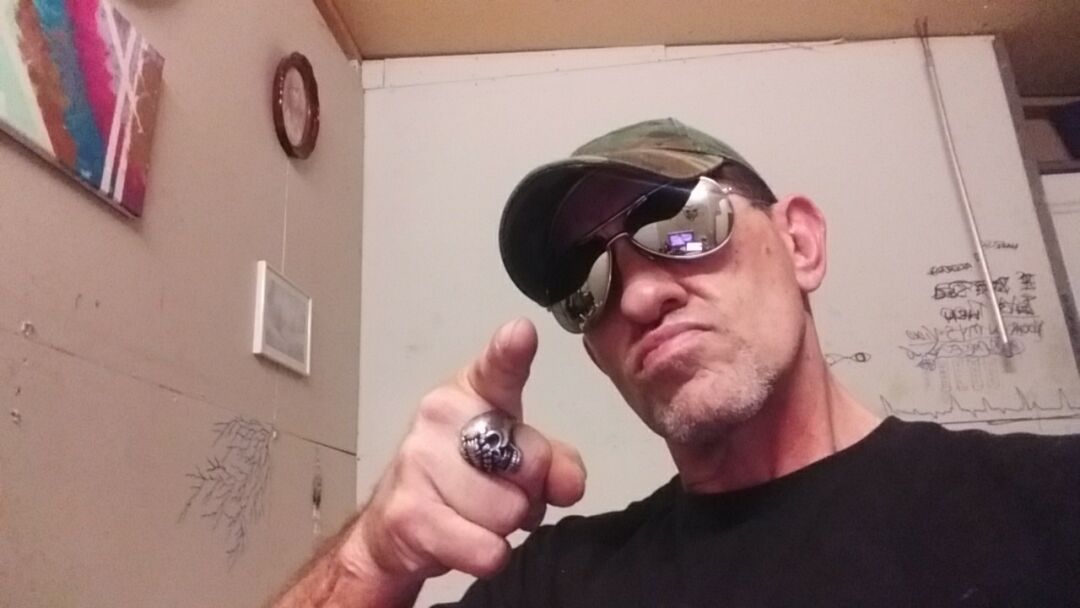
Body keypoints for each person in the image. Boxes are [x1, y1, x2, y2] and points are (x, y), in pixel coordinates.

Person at [271, 119, 1080, 607]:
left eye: (682, 221)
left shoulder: (1048, 504)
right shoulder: (556, 585)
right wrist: (371, 559)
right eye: (586, 283)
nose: (637, 295)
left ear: (800, 242)